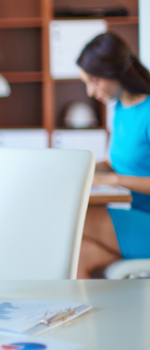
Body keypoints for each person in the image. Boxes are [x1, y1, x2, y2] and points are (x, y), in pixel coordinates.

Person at [76, 32, 150, 279]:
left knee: (76, 220)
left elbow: (117, 173)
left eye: (95, 81)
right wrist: (81, 168)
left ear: (117, 72)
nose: (90, 91)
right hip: (139, 217)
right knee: (79, 255)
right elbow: (117, 162)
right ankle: (85, 318)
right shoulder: (120, 107)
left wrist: (112, 180)